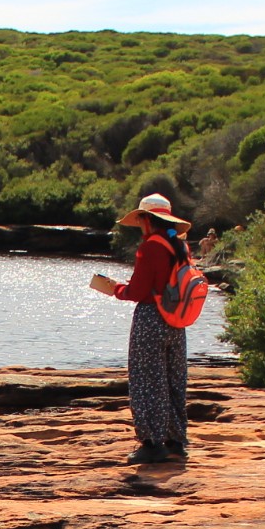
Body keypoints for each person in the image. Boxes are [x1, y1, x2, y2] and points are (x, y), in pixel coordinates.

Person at [89, 192, 192, 464]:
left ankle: (151, 443)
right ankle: (175, 442)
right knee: (173, 379)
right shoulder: (180, 246)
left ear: (147, 220)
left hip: (150, 319)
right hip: (176, 320)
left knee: (147, 380)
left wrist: (116, 289)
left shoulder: (150, 247)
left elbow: (138, 291)